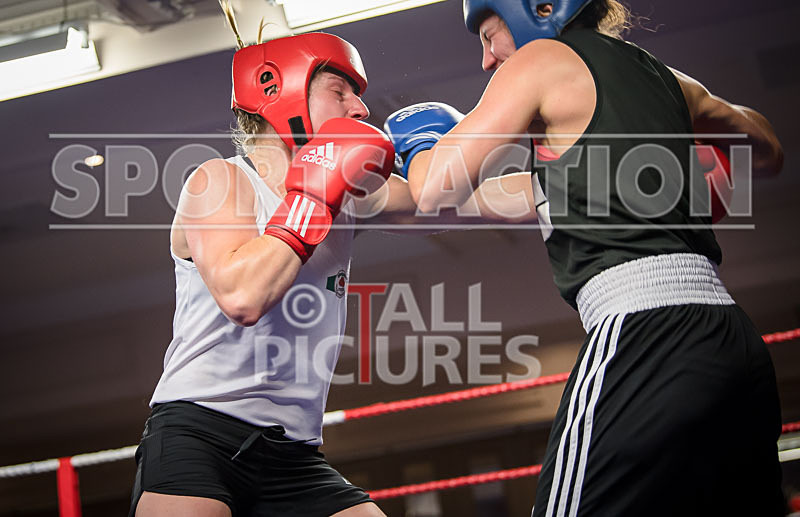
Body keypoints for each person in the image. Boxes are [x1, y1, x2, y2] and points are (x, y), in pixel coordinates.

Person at [130, 4, 537, 516]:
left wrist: (577, 183)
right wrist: (315, 195)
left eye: (359, 96)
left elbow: (470, 202)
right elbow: (242, 296)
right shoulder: (219, 181)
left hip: (293, 454)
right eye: (340, 93)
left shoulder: (352, 195)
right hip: (198, 435)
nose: (361, 110)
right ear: (285, 93)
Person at [384, 0, 785, 515]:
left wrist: (420, 145)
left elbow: (437, 187)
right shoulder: (665, 78)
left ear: (542, 8)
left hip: (642, 332)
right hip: (732, 338)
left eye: (489, 35)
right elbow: (768, 148)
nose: (486, 59)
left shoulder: (542, 60)